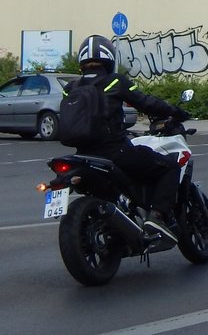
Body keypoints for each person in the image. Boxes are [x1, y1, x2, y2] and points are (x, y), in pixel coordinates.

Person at [69, 35, 191, 239]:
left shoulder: (71, 88)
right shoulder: (115, 81)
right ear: (109, 59)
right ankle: (157, 217)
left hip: (82, 156)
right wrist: (175, 111)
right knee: (170, 167)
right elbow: (146, 102)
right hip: (116, 152)